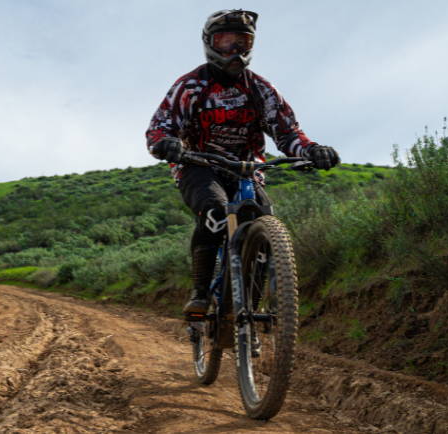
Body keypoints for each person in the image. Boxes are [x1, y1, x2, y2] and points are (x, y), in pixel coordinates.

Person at [145, 9, 340, 315]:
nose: (234, 50)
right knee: (214, 210)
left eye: (242, 42)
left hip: (248, 169)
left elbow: (288, 133)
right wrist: (165, 143)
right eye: (225, 42)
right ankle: (200, 294)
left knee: (264, 217)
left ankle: (252, 303)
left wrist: (312, 150)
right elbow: (160, 126)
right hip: (198, 164)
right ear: (210, 43)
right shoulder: (191, 86)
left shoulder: (260, 89)